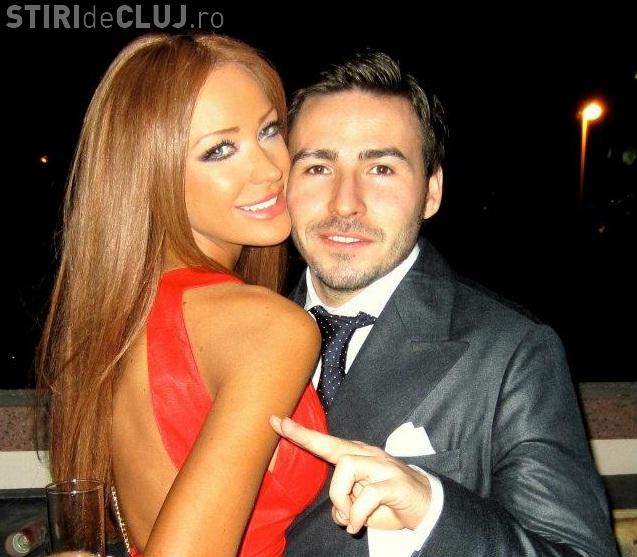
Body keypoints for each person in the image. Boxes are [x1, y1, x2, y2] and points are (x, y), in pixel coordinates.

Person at [271, 52, 618, 556]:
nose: (345, 202)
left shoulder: (512, 352)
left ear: (431, 192)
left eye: (381, 168)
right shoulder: (243, 332)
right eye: (318, 166)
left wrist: (431, 508)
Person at [36, 34, 328, 557]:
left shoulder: (123, 316)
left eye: (268, 130)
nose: (270, 169)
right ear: (152, 173)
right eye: (219, 150)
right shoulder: (268, 327)